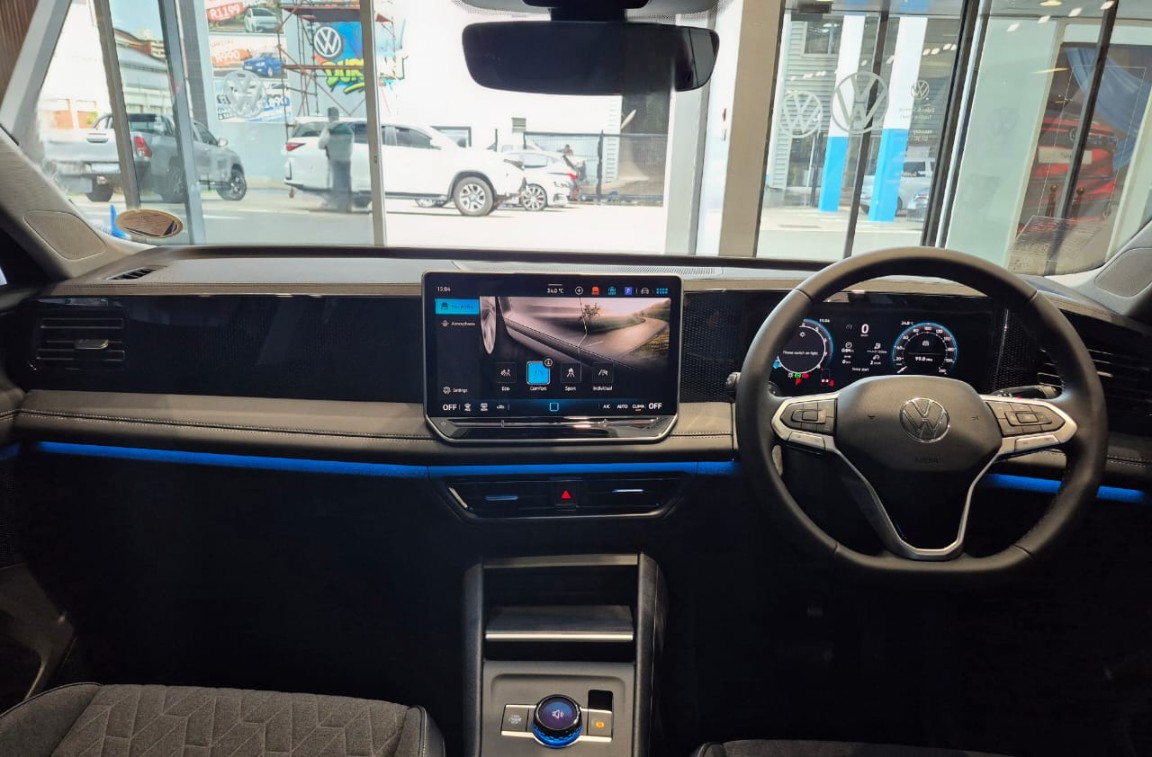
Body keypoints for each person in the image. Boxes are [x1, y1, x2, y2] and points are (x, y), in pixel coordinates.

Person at [318, 107, 354, 212]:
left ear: (329, 116)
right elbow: (351, 142)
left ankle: (338, 205)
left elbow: (321, 144)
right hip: (346, 159)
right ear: (338, 116)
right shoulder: (347, 128)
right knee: (346, 182)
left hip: (334, 159)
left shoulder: (329, 128)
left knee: (337, 182)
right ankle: (348, 205)